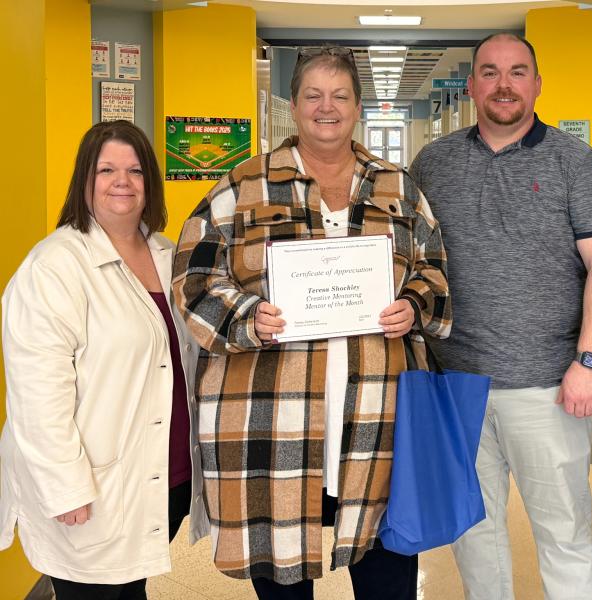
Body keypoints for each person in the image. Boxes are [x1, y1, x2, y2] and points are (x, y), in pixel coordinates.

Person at [171, 46, 451, 599]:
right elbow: (194, 280)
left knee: (388, 577)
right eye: (313, 96)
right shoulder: (240, 188)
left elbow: (435, 272)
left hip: (378, 422)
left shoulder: (398, 188)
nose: (327, 107)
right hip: (270, 423)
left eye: (340, 96)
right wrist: (249, 317)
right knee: (281, 578)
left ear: (357, 107)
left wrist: (413, 306)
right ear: (293, 106)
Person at [410, 33, 592, 600]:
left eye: (516, 72)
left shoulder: (576, 162)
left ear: (536, 83)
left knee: (564, 532)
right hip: (454, 384)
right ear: (473, 84)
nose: (503, 84)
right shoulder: (434, 162)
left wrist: (590, 361)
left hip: (548, 384)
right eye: (489, 72)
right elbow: (407, 258)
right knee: (474, 536)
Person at [0, 120, 209, 599]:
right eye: (107, 169)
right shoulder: (54, 266)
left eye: (135, 170)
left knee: (129, 589)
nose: (123, 181)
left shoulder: (166, 253)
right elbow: (37, 393)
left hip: (160, 474)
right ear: (85, 180)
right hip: (91, 486)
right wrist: (65, 486)